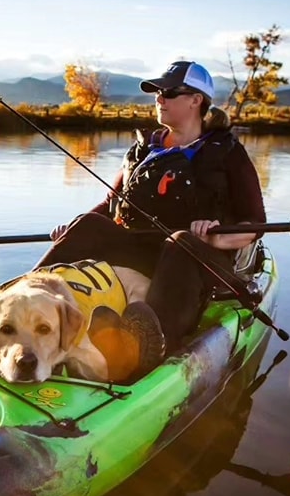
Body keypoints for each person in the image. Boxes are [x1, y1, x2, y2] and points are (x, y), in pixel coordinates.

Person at [35, 60, 267, 380]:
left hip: (197, 260)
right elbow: (108, 203)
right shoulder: (144, 148)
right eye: (157, 92)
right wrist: (73, 231)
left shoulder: (227, 154)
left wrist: (216, 238)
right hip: (142, 250)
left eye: (168, 92)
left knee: (181, 241)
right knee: (88, 225)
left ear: (196, 100)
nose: (159, 98)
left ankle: (148, 344)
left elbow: (254, 223)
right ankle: (24, 299)